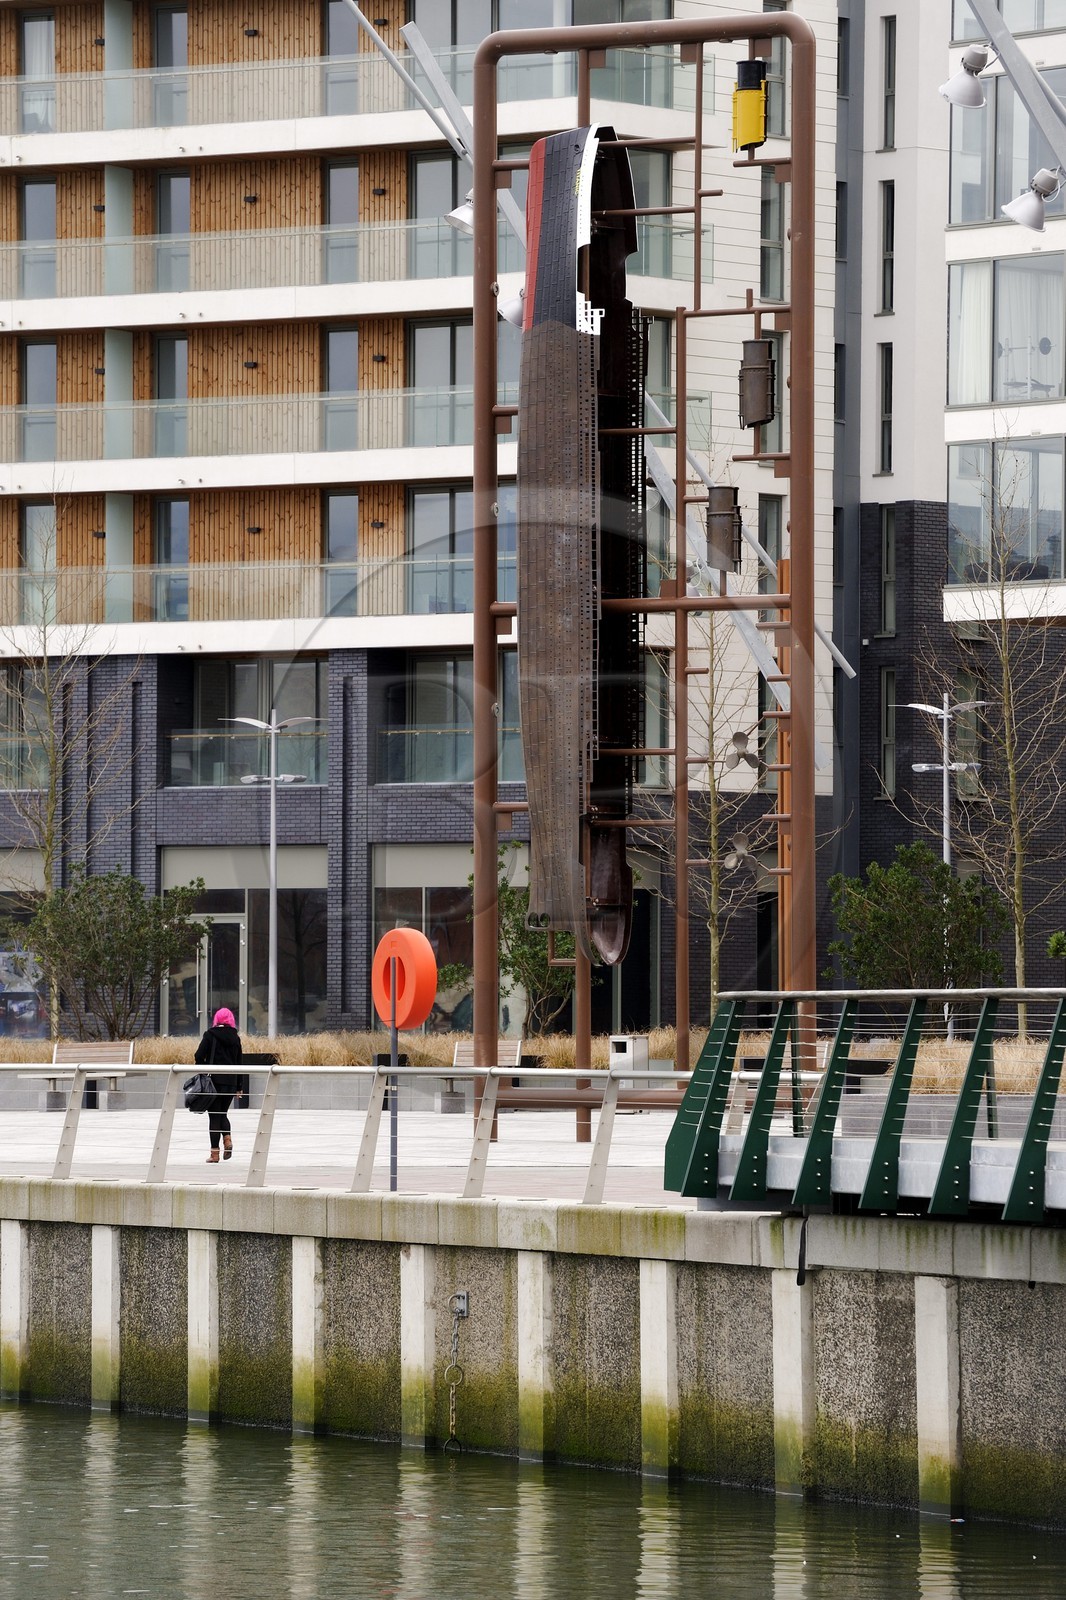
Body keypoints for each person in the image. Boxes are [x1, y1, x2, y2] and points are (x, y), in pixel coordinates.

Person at [195, 1006, 244, 1163]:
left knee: (214, 1116)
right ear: (231, 1020)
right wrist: (239, 1086)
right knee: (222, 1113)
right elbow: (239, 1063)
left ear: (216, 1019)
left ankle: (214, 1154)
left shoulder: (210, 1035)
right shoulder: (235, 1037)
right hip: (230, 1082)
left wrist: (202, 1069)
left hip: (213, 1081)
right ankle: (227, 1140)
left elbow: (198, 1055)